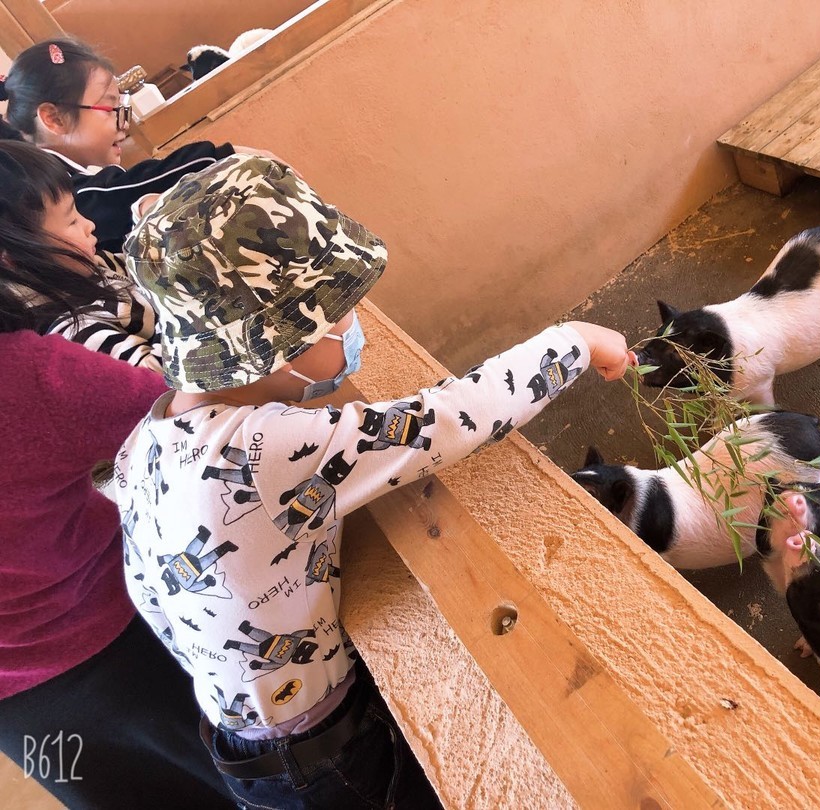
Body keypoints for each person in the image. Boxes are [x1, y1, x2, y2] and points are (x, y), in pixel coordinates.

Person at [114, 152, 634, 807]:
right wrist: (578, 342)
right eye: (338, 315)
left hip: (246, 742)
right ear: (281, 342)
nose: (352, 326)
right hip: (327, 752)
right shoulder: (263, 451)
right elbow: (450, 419)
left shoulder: (152, 438)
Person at [0, 159, 233, 808]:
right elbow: (204, 409)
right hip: (119, 645)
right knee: (252, 785)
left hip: (26, 724)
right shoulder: (34, 375)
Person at [0, 38, 250, 253]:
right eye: (110, 109)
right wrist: (219, 156)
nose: (124, 124)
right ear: (55, 119)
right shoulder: (61, 193)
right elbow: (119, 190)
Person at [0, 139, 161, 369]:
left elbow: (144, 265)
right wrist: (185, 304)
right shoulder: (74, 332)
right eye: (72, 220)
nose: (89, 225)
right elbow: (158, 377)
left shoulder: (87, 265)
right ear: (12, 258)